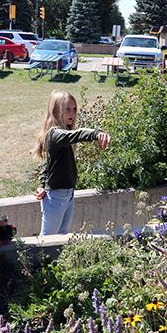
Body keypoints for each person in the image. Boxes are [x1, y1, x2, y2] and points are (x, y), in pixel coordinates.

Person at [34, 90, 111, 235]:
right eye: (67, 109)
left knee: (61, 240)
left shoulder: (61, 134)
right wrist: (96, 133)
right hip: (56, 197)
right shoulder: (55, 134)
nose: (72, 113)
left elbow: (48, 164)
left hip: (67, 195)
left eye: (74, 109)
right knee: (47, 241)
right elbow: (78, 134)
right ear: (56, 110)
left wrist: (42, 184)